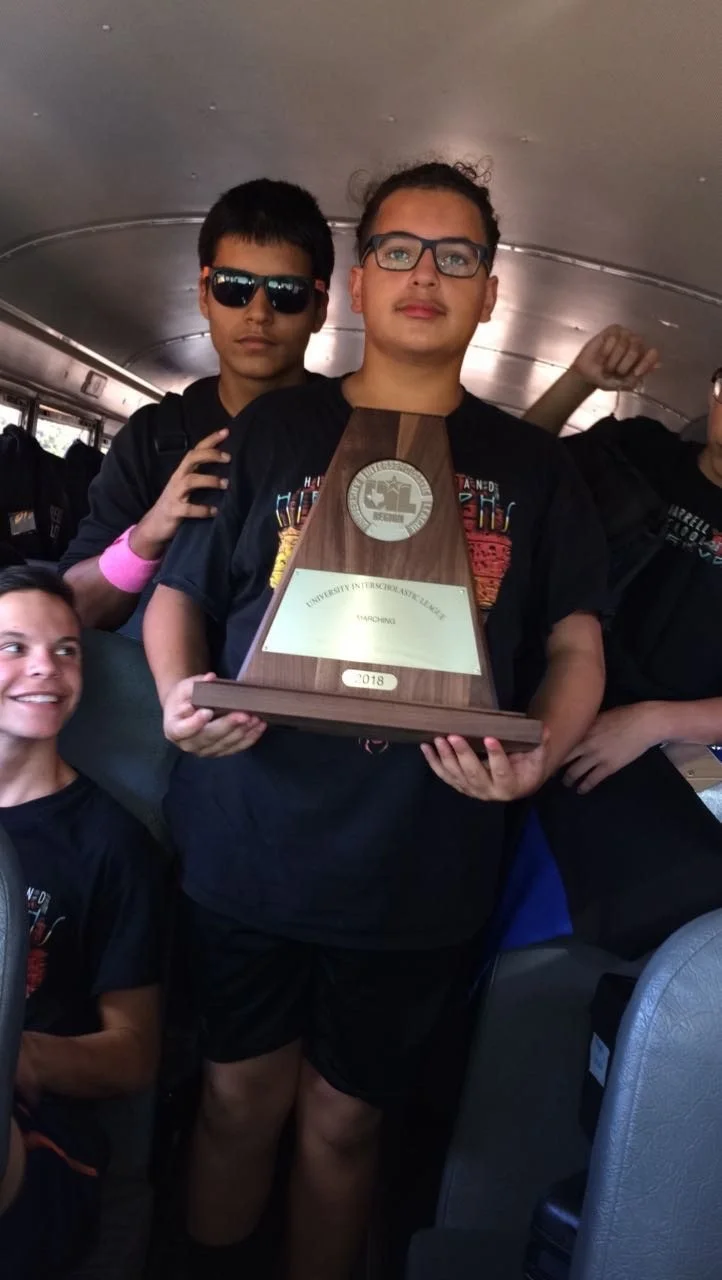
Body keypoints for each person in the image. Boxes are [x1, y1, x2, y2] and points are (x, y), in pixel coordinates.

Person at [143, 160, 608, 1280]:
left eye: (456, 257)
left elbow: (573, 644)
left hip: (421, 852)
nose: (424, 275)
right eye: (398, 249)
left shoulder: (537, 472)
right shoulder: (269, 435)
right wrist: (173, 700)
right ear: (357, 283)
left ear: (489, 293)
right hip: (249, 828)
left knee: (346, 1121)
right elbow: (179, 599)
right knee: (236, 1095)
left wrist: (533, 755)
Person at [523, 331, 722, 955]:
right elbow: (508, 470)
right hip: (536, 695)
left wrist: (653, 722)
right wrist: (578, 379)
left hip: (656, 750)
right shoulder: (636, 451)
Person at [60, 179, 334, 630]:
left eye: (286, 292)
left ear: (319, 307)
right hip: (161, 700)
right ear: (205, 294)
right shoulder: (152, 439)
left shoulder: (350, 430)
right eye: (234, 287)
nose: (258, 313)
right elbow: (75, 611)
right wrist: (148, 535)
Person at [0, 564, 163, 1268]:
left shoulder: (113, 845)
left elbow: (133, 1052)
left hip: (41, 1129)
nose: (47, 669)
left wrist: (16, 1056)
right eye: (14, 647)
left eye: (66, 650)